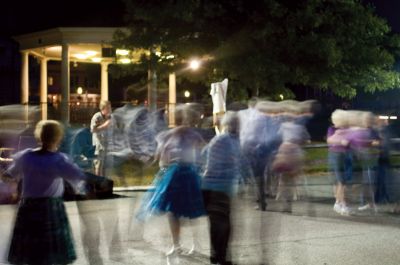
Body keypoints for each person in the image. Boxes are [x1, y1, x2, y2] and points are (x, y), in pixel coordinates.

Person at [2, 120, 87, 265]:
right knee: (51, 253)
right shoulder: (58, 160)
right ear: (58, 138)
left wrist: (13, 186)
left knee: (31, 252)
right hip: (51, 209)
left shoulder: (26, 157)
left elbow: (8, 175)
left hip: (28, 208)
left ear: (39, 136)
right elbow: (78, 176)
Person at [136, 106, 206, 257]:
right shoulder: (191, 134)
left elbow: (160, 157)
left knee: (173, 212)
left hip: (174, 174)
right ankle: (192, 244)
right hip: (188, 173)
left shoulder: (168, 135)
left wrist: (155, 162)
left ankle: (177, 245)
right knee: (191, 210)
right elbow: (203, 148)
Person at [202, 111, 241, 265]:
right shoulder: (229, 141)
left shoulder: (218, 139)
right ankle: (222, 257)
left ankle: (215, 255)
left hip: (210, 186)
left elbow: (203, 154)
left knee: (216, 222)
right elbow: (235, 164)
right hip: (220, 187)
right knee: (223, 224)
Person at [90, 100, 114, 176]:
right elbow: (93, 130)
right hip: (99, 146)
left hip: (109, 146)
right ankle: (98, 184)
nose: (110, 109)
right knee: (99, 166)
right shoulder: (97, 117)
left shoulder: (111, 117)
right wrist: (104, 125)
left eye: (110, 107)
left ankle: (105, 184)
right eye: (108, 108)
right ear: (103, 108)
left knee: (107, 168)